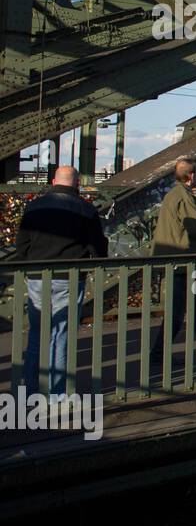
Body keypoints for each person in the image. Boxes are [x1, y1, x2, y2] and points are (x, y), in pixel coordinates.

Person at [13, 166, 107, 397]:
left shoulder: (34, 206)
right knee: (61, 335)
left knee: (37, 334)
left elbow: (22, 245)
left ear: (54, 181)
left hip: (37, 276)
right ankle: (55, 393)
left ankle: (31, 390)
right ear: (77, 184)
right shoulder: (86, 209)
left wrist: (27, 265)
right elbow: (98, 248)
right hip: (69, 278)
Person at [149, 158, 196, 375]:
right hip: (186, 262)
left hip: (187, 262)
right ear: (191, 176)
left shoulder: (175, 195)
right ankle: (157, 354)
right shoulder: (183, 196)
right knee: (178, 309)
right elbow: (195, 227)